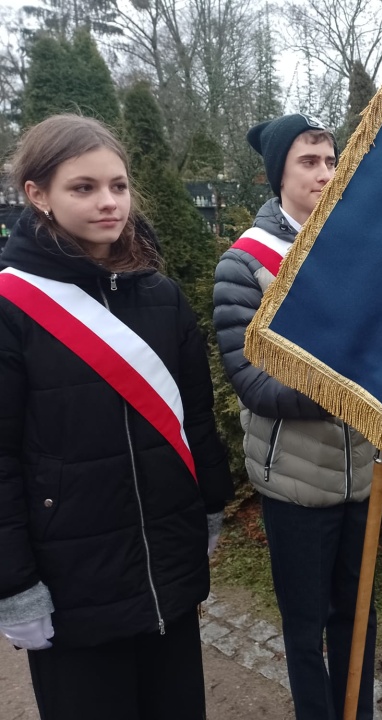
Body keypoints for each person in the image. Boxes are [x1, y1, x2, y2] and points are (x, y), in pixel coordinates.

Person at [0, 114, 233, 719]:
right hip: (73, 584)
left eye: (119, 186)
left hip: (168, 569)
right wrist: (15, 587)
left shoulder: (161, 295)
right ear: (37, 195)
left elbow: (196, 418)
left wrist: (210, 508)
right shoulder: (10, 308)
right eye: (83, 187)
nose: (108, 202)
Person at [212, 113, 378, 720]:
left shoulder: (351, 250)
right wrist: (343, 392)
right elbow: (251, 380)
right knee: (306, 626)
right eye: (309, 162)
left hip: (361, 472)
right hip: (293, 480)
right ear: (277, 172)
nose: (325, 173)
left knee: (358, 612)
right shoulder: (245, 265)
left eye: (331, 161)